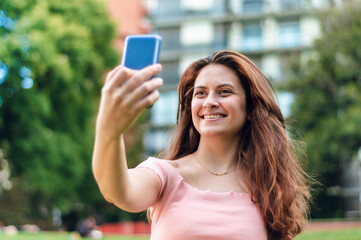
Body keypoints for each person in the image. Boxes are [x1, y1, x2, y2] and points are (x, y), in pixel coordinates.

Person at [92, 50, 311, 240]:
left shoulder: (269, 187)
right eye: (201, 93)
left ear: (251, 108)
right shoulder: (165, 175)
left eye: (224, 91)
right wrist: (109, 133)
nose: (209, 102)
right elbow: (118, 191)